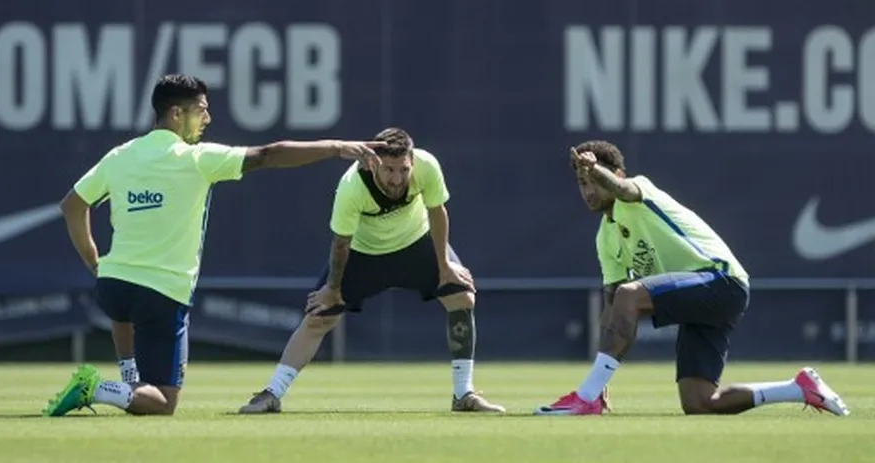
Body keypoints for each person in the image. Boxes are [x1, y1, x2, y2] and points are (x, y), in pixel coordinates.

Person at [43, 74, 385, 417]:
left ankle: (128, 381)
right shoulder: (196, 158)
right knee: (164, 403)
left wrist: (94, 262)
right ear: (176, 114)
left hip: (112, 288)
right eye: (201, 110)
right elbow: (269, 154)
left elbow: (72, 206)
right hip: (161, 294)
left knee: (126, 312)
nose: (207, 119)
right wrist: (337, 147)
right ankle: (99, 388)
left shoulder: (119, 155)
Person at [533, 140, 850, 417]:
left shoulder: (639, 190)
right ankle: (798, 388)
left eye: (593, 180)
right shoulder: (605, 237)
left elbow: (624, 190)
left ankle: (584, 399)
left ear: (615, 175)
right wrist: (602, 379)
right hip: (701, 298)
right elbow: (612, 305)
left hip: (722, 281)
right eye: (581, 182)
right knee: (699, 402)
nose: (588, 190)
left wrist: (595, 168)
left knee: (632, 294)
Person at [238, 127, 505, 414]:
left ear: (412, 161)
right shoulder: (352, 186)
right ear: (373, 162)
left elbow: (437, 212)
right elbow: (341, 243)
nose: (397, 178)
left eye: (403, 169)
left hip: (415, 245)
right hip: (363, 255)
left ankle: (463, 394)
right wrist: (333, 289)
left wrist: (445, 267)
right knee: (318, 319)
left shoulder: (427, 166)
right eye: (389, 170)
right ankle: (271, 394)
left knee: (461, 297)